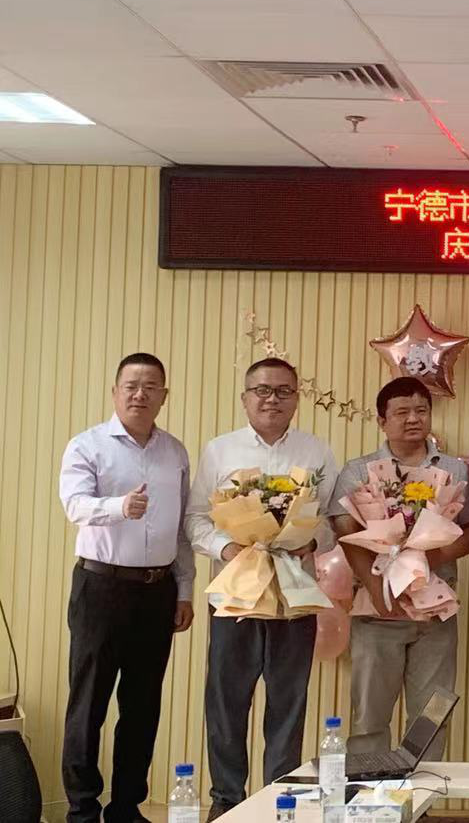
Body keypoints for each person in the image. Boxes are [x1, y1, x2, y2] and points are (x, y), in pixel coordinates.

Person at [185, 358, 340, 818]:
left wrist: (310, 540)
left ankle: (279, 799)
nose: (272, 399)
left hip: (295, 595)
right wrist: (228, 547)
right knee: (226, 701)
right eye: (262, 390)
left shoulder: (317, 452)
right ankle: (226, 801)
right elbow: (195, 519)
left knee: (289, 701)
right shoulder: (220, 450)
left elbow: (331, 521)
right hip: (235, 593)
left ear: (297, 398)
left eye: (283, 391)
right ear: (245, 398)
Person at [58, 352, 195, 823]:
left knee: (142, 705)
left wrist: (184, 590)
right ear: (115, 392)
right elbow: (75, 505)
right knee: (89, 702)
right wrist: (118, 507)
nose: (140, 394)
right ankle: (81, 809)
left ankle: (125, 807)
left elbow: (180, 529)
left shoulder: (175, 452)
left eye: (150, 386)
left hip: (157, 590)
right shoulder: (88, 445)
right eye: (131, 385)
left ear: (163, 396)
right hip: (101, 586)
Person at [330, 376, 469, 759]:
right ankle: (370, 791)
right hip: (377, 611)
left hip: (435, 611)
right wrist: (377, 589)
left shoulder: (455, 470)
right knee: (369, 716)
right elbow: (345, 531)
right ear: (382, 421)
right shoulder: (359, 471)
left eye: (421, 410)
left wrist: (431, 559)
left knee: (432, 714)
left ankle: (423, 790)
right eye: (401, 412)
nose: (413, 419)